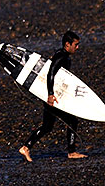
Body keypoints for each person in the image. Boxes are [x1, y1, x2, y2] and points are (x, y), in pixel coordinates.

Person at [19, 31, 86, 161]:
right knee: (72, 121)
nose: (77, 47)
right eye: (76, 45)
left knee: (47, 126)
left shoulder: (61, 55)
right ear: (68, 44)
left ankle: (26, 148)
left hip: (51, 95)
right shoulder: (61, 57)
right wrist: (50, 95)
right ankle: (71, 152)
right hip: (52, 96)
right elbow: (50, 74)